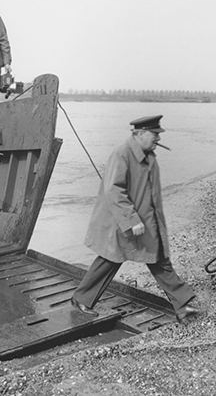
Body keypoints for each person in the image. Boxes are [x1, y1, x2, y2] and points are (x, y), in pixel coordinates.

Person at [71, 115, 200, 322]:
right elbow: (114, 190)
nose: (157, 139)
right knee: (110, 259)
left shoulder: (148, 155)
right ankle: (81, 299)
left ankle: (182, 305)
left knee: (158, 258)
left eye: (158, 135)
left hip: (145, 221)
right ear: (139, 134)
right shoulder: (121, 154)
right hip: (121, 222)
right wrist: (132, 220)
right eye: (154, 134)